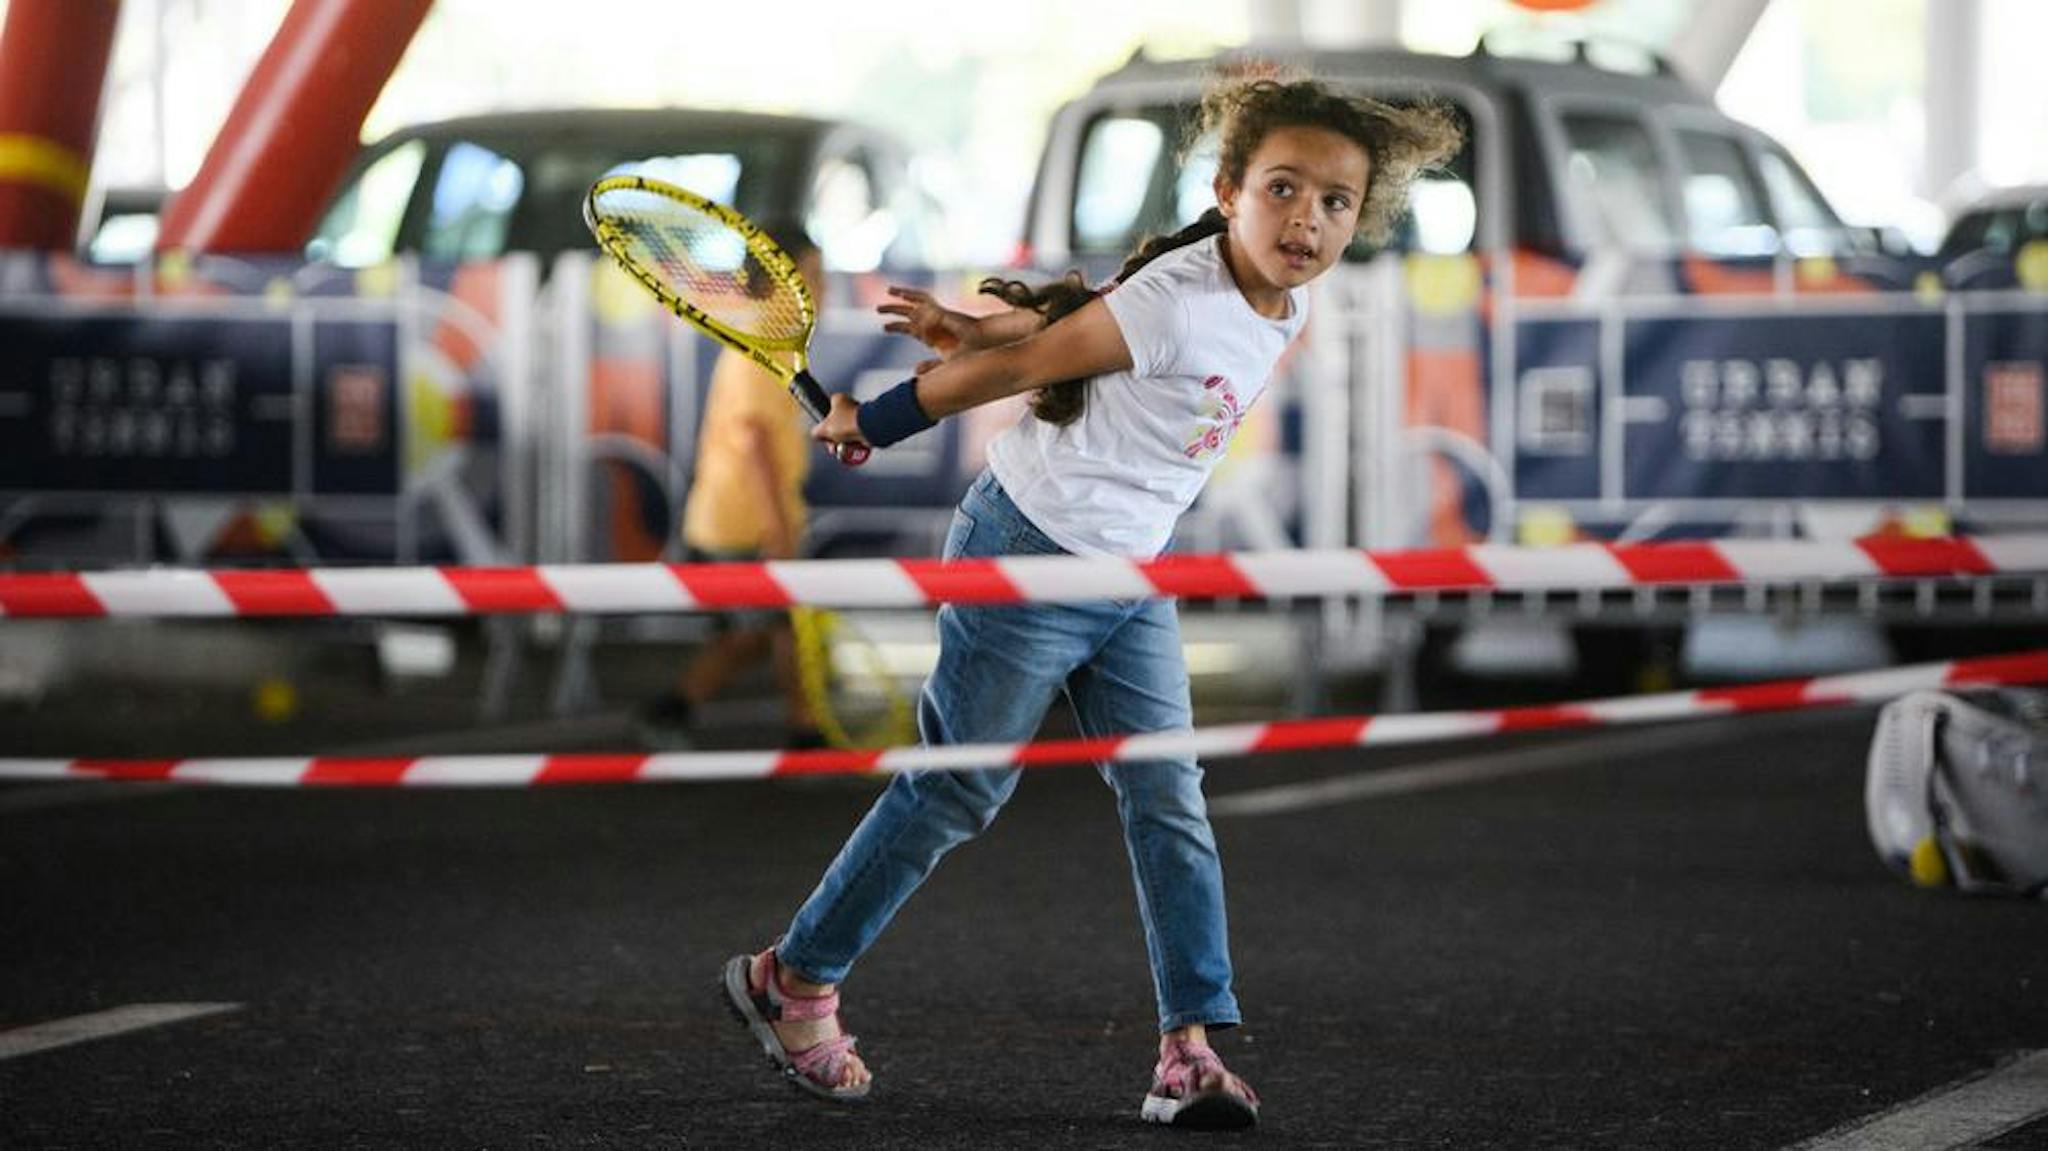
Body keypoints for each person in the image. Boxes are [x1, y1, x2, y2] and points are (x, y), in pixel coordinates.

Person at [720, 75, 1462, 1127]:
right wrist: (870, 419)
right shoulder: (1183, 298)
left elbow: (1077, 323)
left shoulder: (1278, 296)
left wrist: (976, 324)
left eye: (1334, 202)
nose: (1306, 218)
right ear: (1228, 189)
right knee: (958, 793)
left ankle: (1187, 1053)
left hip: (1127, 574)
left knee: (1168, 800)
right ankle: (790, 980)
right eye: (1283, 189)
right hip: (1024, 550)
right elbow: (1035, 363)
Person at [636, 221, 828, 752]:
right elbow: (753, 442)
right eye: (813, 275)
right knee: (774, 629)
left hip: (749, 518)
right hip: (740, 521)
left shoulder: (779, 342)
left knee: (755, 637)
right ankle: (805, 730)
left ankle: (674, 709)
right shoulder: (761, 343)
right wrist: (778, 529)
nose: (824, 289)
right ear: (777, 279)